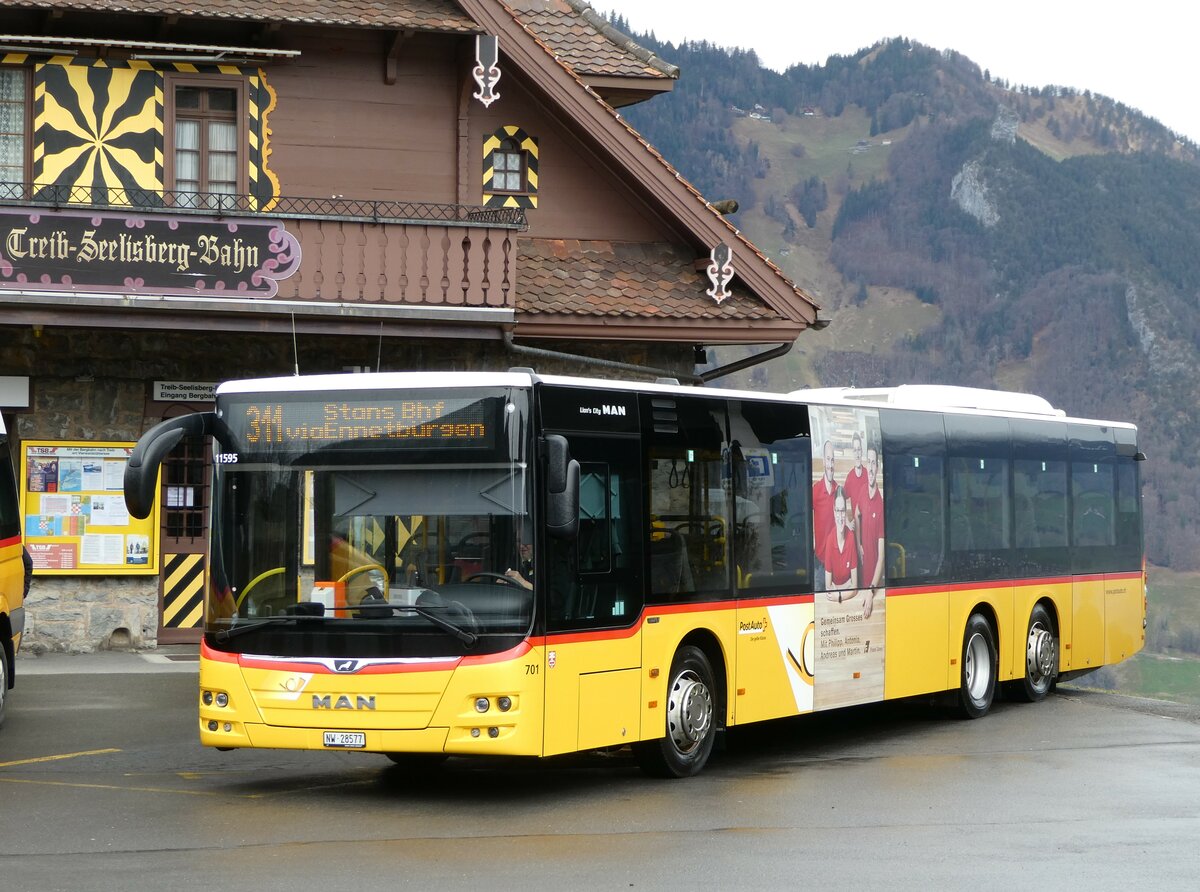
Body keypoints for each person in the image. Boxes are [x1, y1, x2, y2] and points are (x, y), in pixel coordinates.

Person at [857, 444, 885, 618]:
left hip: (873, 587)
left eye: (874, 463)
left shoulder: (881, 506)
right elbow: (858, 514)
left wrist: (871, 590)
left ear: (878, 467)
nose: (871, 467)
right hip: (860, 583)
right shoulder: (861, 491)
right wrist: (859, 542)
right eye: (869, 462)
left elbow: (881, 557)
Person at [823, 486, 858, 595]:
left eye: (842, 510)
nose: (840, 516)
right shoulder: (829, 541)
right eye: (838, 511)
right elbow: (828, 587)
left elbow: (855, 586)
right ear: (834, 512)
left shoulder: (851, 537)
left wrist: (838, 593)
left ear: (846, 511)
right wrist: (847, 586)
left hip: (846, 600)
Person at [812, 439, 837, 578]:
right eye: (828, 459)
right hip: (820, 563)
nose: (830, 464)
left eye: (833, 460)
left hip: (836, 562)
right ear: (823, 462)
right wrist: (813, 541)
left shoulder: (839, 491)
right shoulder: (815, 491)